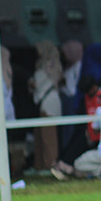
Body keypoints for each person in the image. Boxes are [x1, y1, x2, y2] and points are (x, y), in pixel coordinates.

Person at [29, 40, 63, 171]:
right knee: (40, 137)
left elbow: (35, 84)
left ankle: (50, 166)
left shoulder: (48, 67)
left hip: (49, 104)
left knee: (49, 138)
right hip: (45, 103)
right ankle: (40, 165)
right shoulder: (44, 66)